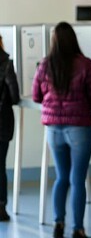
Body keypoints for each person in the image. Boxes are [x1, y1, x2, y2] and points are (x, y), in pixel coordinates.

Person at [32, 22, 91, 238]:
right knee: (77, 179)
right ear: (73, 39)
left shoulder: (44, 65)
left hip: (53, 130)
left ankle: (58, 224)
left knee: (61, 177)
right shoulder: (84, 65)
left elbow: (36, 96)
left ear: (54, 41)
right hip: (79, 130)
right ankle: (78, 229)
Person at [0, 35, 20, 222]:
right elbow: (14, 96)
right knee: (0, 166)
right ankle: (1, 207)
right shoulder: (6, 63)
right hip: (2, 122)